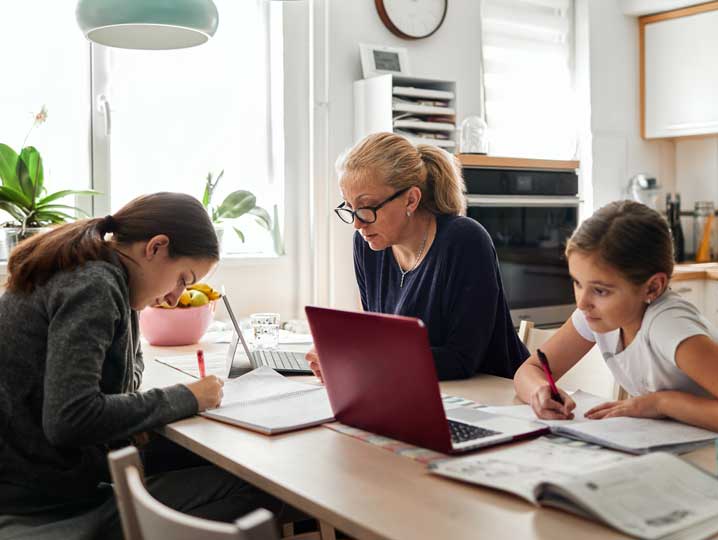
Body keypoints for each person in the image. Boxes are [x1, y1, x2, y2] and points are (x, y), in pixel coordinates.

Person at [0, 193, 287, 540]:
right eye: (183, 278)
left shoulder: (99, 274)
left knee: (211, 462)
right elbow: (69, 419)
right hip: (46, 506)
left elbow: (126, 376)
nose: (177, 297)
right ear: (156, 247)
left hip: (42, 484)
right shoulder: (95, 286)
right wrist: (187, 397)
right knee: (268, 492)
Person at [513, 200, 718, 434]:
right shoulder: (596, 314)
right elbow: (530, 370)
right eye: (577, 282)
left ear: (652, 287)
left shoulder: (669, 327)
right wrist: (540, 392)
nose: (582, 302)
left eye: (600, 290)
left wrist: (660, 403)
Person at [307, 132, 528, 381]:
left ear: (411, 200)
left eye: (366, 208)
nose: (357, 223)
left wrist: (363, 360)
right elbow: (378, 339)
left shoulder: (465, 241)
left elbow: (462, 360)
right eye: (349, 207)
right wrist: (341, 354)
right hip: (417, 390)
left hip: (495, 397)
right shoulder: (367, 244)